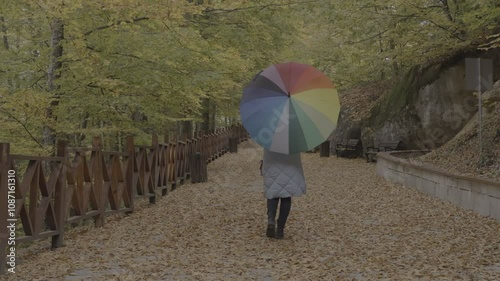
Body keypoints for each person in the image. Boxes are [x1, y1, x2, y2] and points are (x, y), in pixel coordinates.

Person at [260, 149, 306, 239]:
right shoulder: (293, 138)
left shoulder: (271, 136)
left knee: (272, 193)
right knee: (286, 196)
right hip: (290, 165)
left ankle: (271, 220)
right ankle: (280, 229)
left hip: (271, 162)